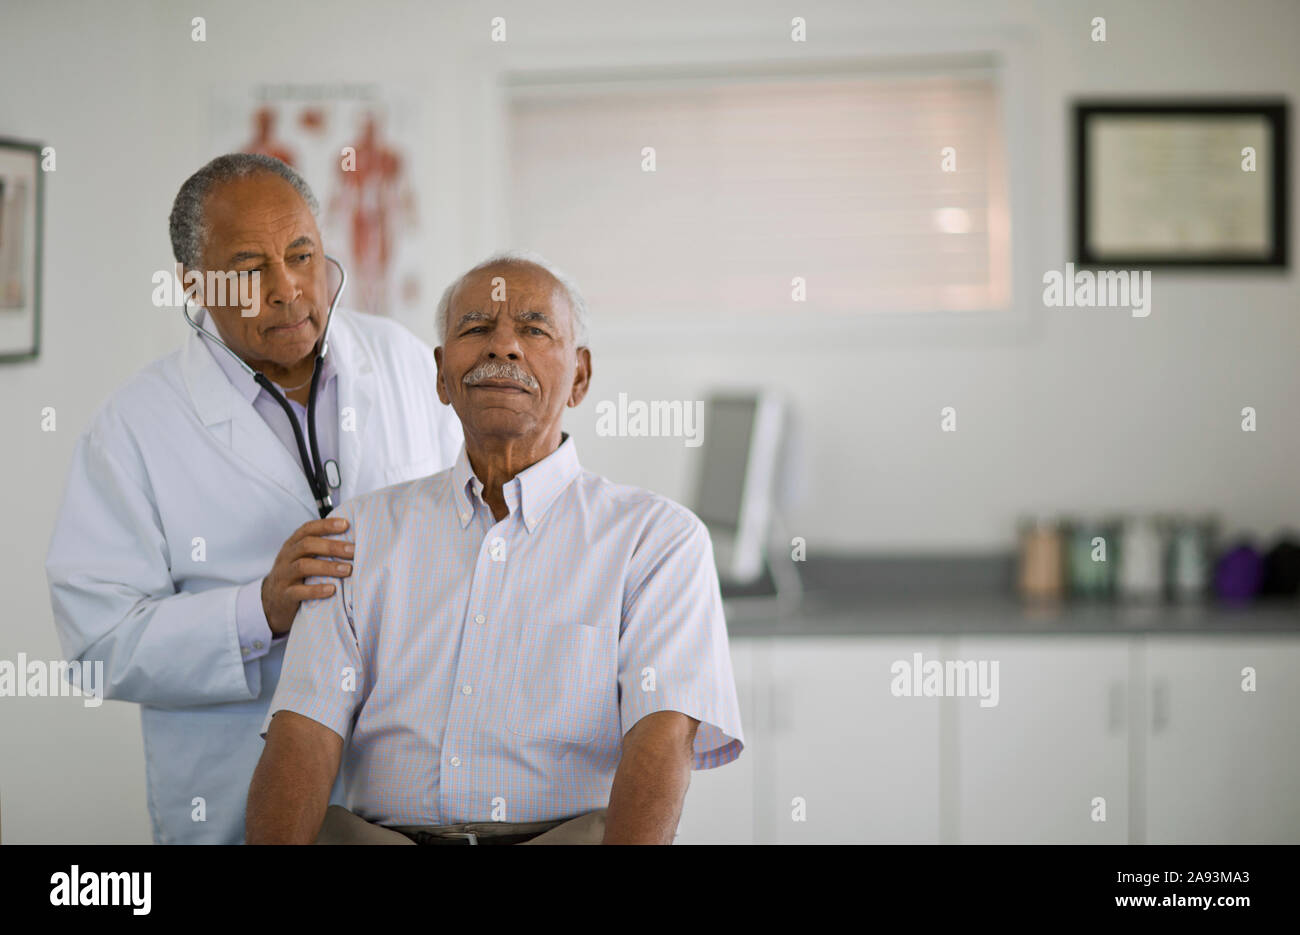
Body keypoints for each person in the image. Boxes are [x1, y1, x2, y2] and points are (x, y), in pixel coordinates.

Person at [246, 252, 744, 845]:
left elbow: (661, 743)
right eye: (476, 327)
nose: (502, 347)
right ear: (440, 374)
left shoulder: (658, 540)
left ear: (580, 377)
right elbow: (303, 733)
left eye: (533, 329)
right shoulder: (357, 532)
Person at [45, 153, 462, 844]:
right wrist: (257, 609)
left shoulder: (406, 363)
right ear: (193, 283)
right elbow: (99, 642)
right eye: (249, 270)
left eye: (303, 254)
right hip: (234, 798)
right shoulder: (132, 428)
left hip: (407, 795)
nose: (289, 288)